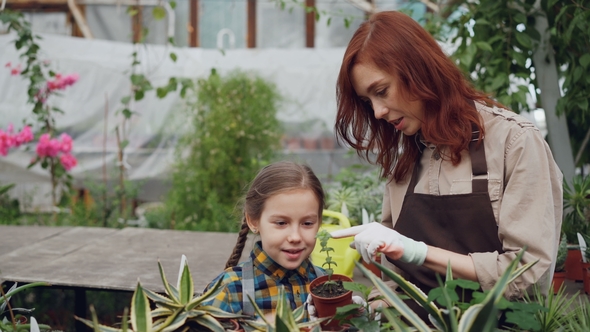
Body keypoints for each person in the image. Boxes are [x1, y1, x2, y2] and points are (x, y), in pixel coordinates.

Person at [330, 10, 563, 317]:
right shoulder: (406, 158)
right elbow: (396, 279)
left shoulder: (514, 143)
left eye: (381, 91)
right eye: (366, 101)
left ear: (419, 70)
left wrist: (418, 252)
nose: (377, 112)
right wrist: (374, 304)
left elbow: (527, 276)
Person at [201, 161, 327, 321]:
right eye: (281, 223)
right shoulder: (230, 290)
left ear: (319, 222)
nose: (295, 237)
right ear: (253, 220)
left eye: (307, 223)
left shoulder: (327, 284)